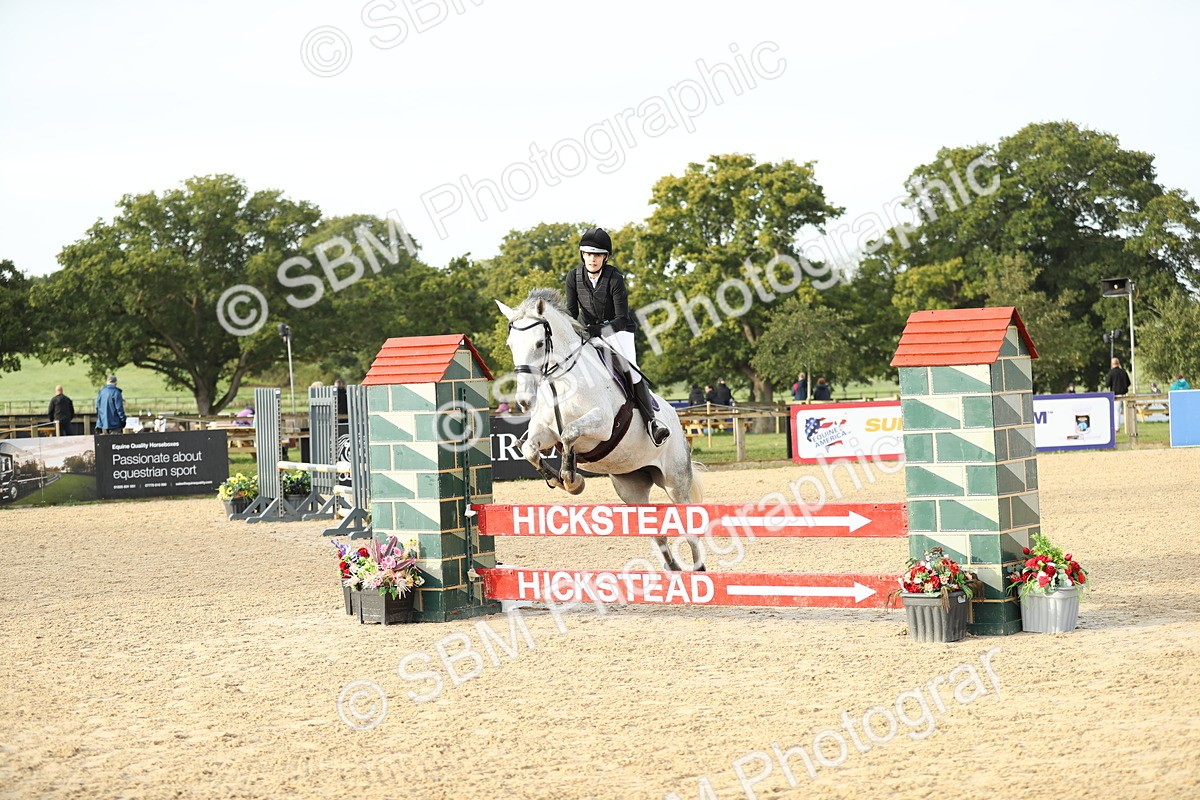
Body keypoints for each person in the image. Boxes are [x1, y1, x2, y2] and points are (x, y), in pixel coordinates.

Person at [565, 226, 669, 445]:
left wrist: (599, 330)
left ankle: (653, 422)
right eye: (588, 254)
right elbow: (571, 313)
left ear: (606, 257)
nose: (592, 259)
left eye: (597, 255)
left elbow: (621, 318)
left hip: (617, 332)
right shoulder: (573, 277)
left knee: (631, 372)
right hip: (587, 331)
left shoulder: (615, 278)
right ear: (582, 254)